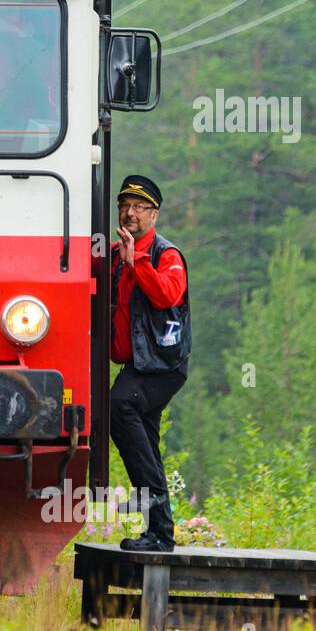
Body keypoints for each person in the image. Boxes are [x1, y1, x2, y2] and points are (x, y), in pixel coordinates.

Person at [109, 175, 192, 553]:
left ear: (154, 214)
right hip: (137, 366)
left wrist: (137, 261)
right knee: (146, 446)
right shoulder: (113, 255)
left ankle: (156, 521)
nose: (129, 212)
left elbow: (167, 295)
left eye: (139, 207)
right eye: (124, 205)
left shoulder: (165, 255)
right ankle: (160, 533)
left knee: (119, 406)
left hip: (162, 367)